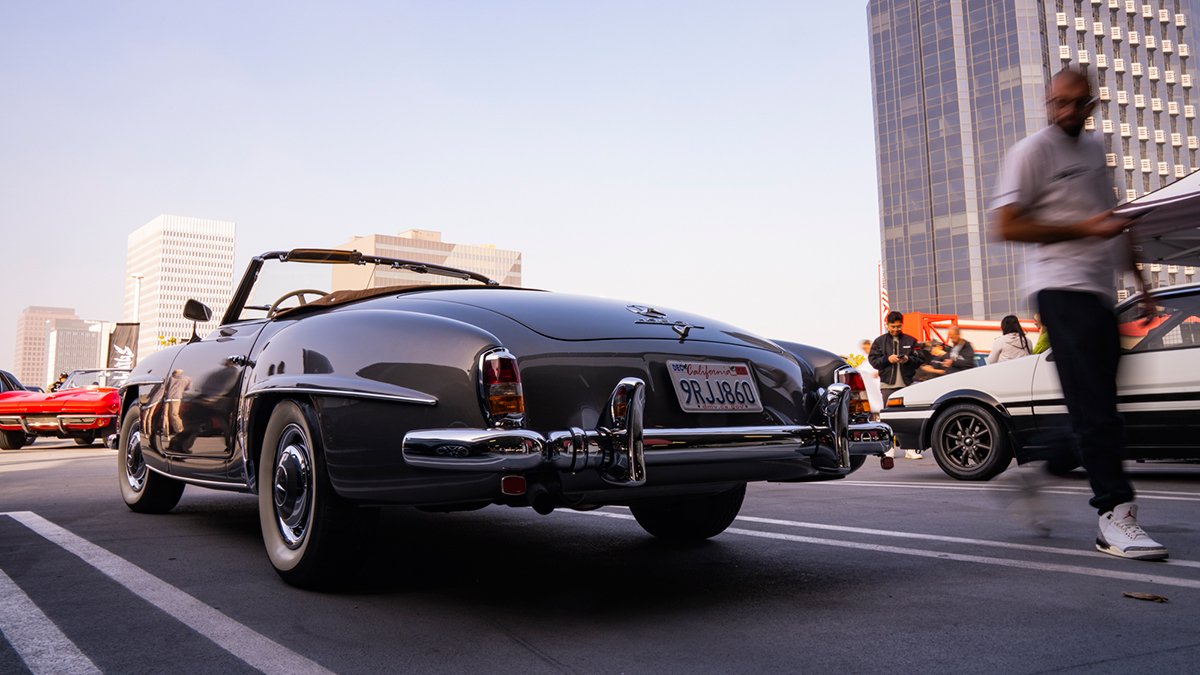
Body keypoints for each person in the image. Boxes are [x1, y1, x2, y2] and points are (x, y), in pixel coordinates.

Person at [992, 66, 1166, 560]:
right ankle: (1115, 514)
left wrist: (1140, 283)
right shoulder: (1030, 153)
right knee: (1098, 409)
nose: (1066, 112)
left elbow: (1111, 219)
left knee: (1095, 405)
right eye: (1057, 104)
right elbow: (1005, 225)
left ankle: (1036, 475)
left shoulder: (1093, 149)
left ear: (1092, 105)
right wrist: (1080, 231)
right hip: (1057, 289)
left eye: (1076, 104)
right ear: (1049, 104)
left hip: (1099, 293)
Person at [868, 310, 924, 459]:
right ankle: (889, 448)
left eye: (898, 326)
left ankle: (910, 449)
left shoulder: (911, 341)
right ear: (887, 325)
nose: (896, 329)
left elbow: (920, 359)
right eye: (893, 326)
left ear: (902, 325)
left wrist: (908, 359)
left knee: (909, 416)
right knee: (888, 417)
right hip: (888, 385)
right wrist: (888, 359)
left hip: (907, 384)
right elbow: (873, 361)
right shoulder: (879, 342)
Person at [856, 339, 884, 418]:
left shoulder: (878, 356)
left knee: (878, 401)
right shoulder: (864, 359)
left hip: (877, 383)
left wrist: (879, 372)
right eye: (864, 349)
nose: (865, 350)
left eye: (867, 348)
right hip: (868, 385)